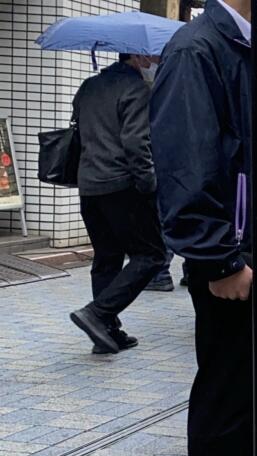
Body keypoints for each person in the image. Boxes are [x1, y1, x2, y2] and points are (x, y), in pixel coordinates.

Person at [150, 0, 254, 456]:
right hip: (230, 260)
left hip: (246, 252)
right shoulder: (197, 49)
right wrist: (218, 257)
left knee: (245, 394)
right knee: (226, 396)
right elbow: (185, 161)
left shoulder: (243, 44)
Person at [69, 53, 167, 355]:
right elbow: (137, 142)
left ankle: (107, 331)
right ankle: (98, 314)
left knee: (107, 257)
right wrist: (149, 185)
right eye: (152, 56)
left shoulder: (89, 86)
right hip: (123, 185)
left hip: (89, 186)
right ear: (137, 56)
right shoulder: (136, 89)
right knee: (151, 254)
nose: (156, 61)